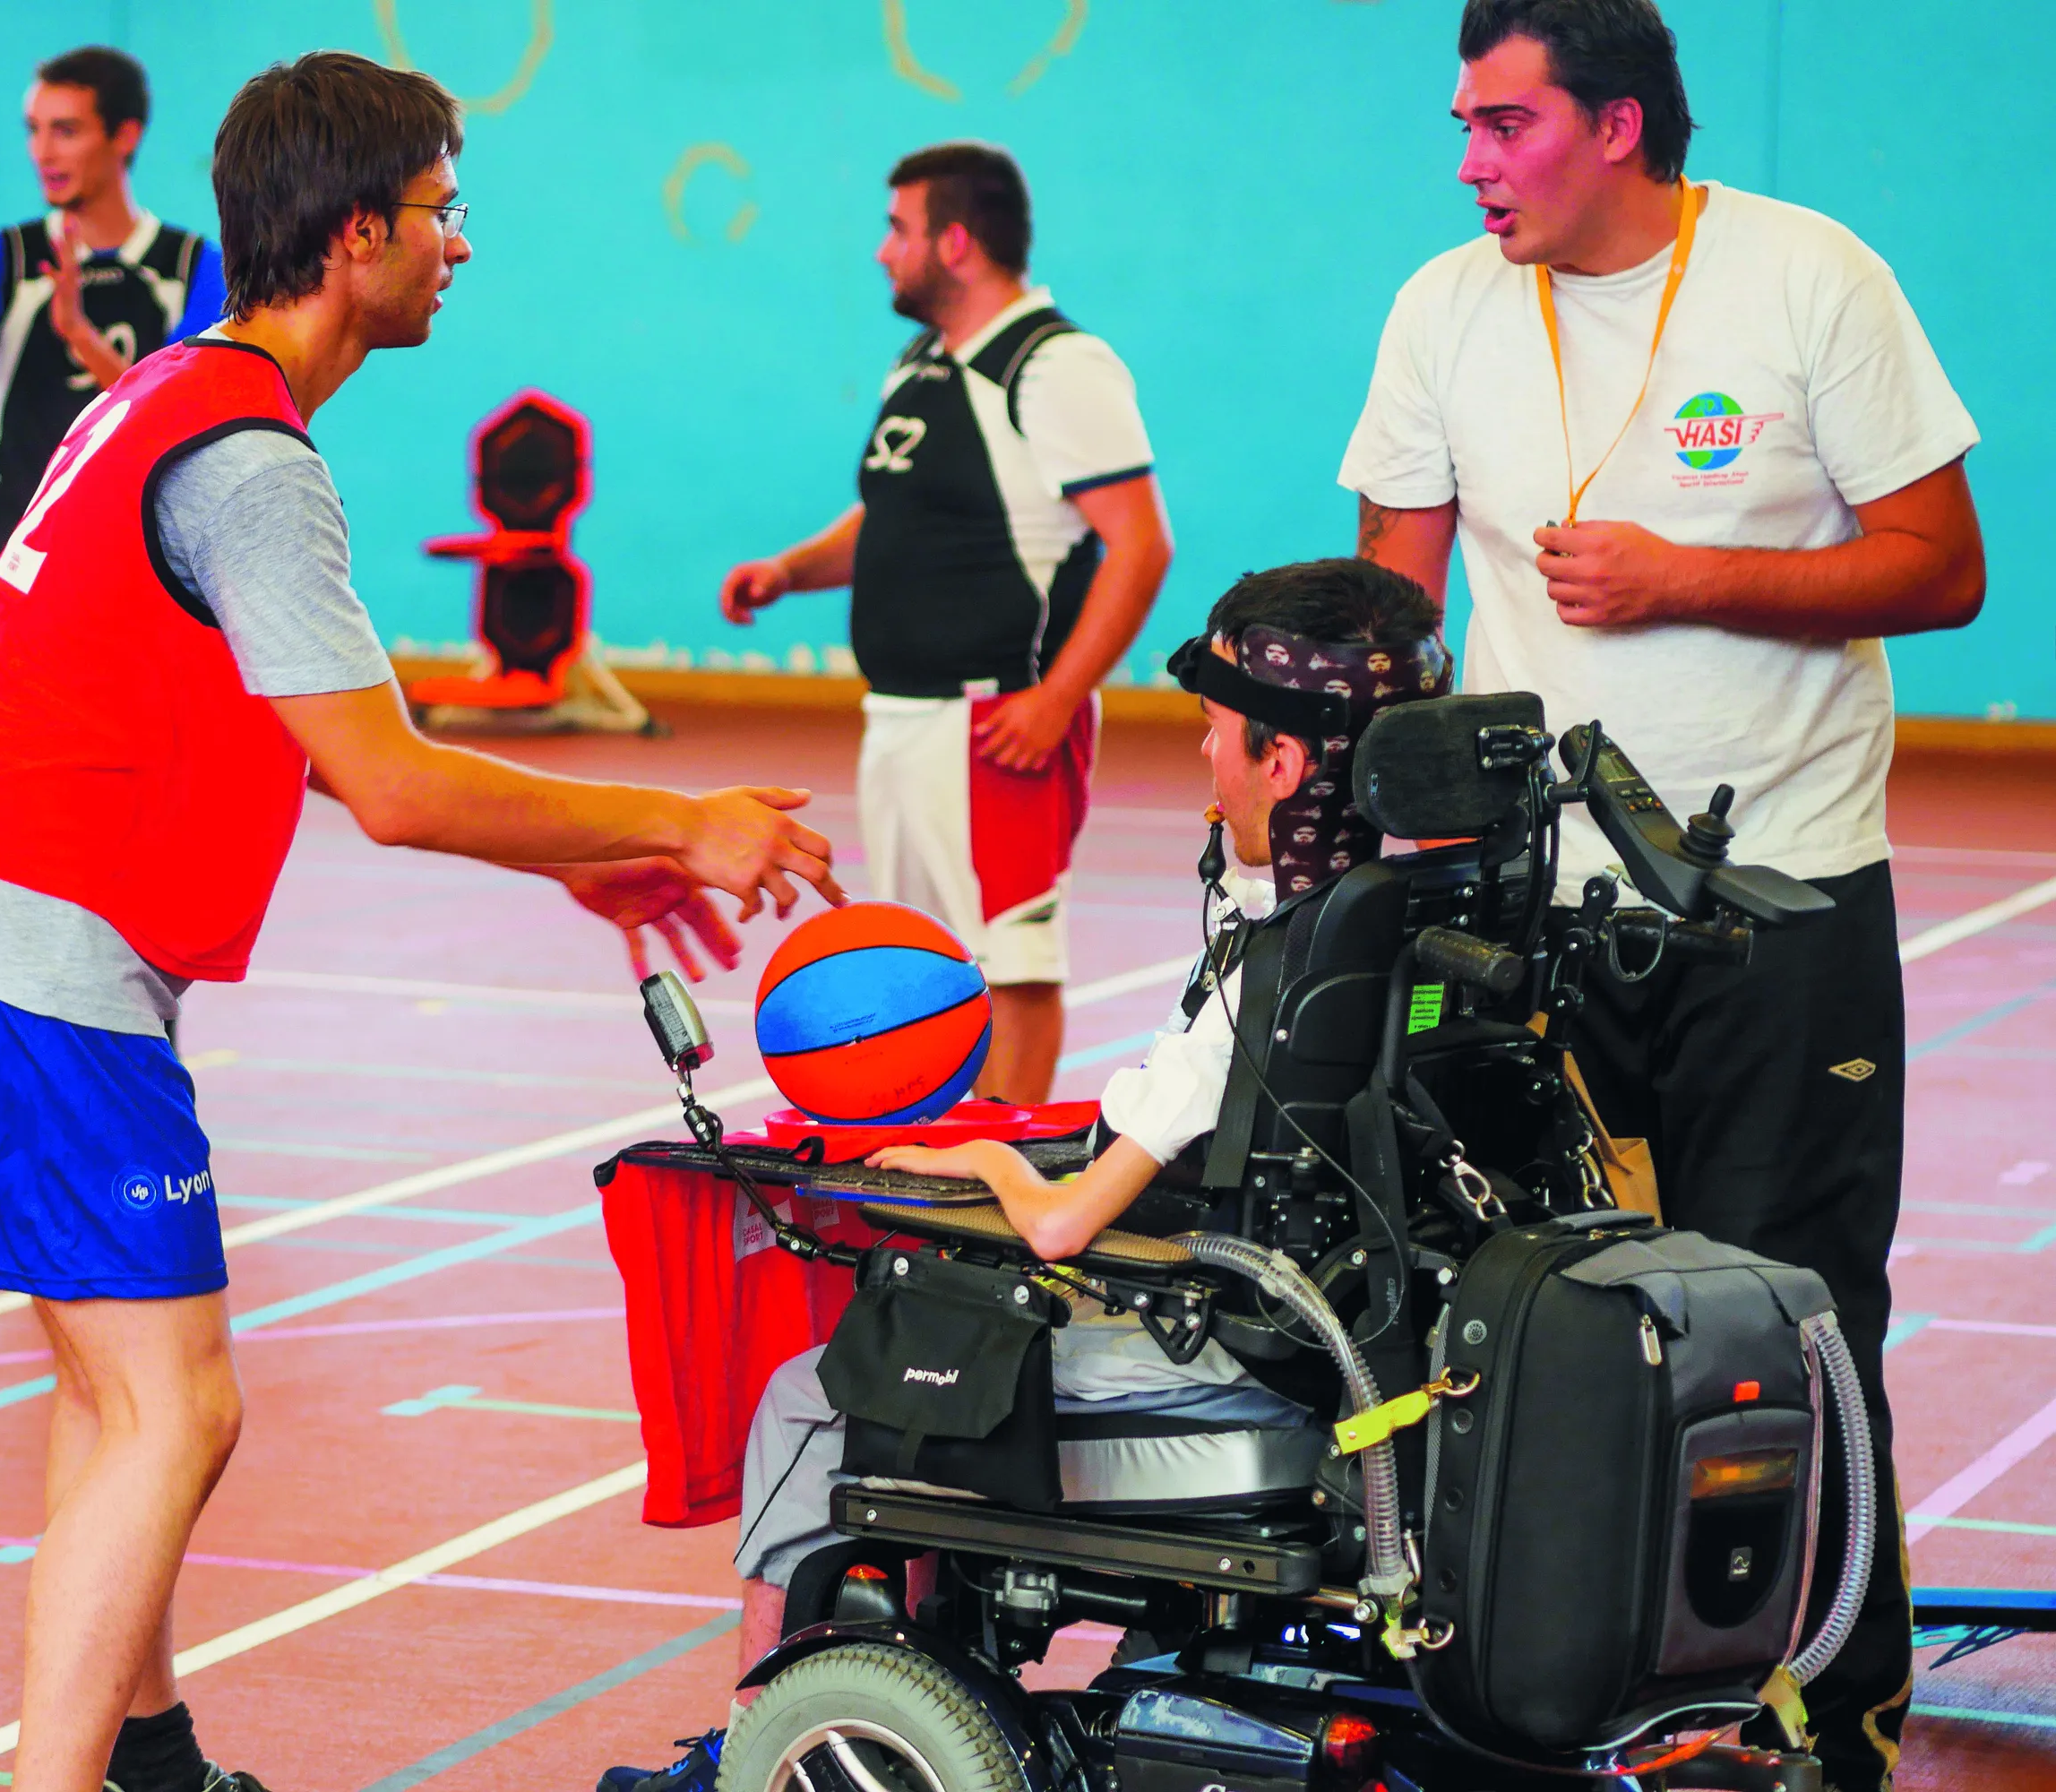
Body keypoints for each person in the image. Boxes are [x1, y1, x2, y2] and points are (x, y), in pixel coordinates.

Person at [0, 51, 840, 1792]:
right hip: (33, 956)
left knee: (110, 1393)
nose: (463, 248)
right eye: (446, 214)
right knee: (181, 1407)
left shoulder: (180, 392)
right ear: (358, 231)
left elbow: (279, 727)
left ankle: (145, 1755)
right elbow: (391, 781)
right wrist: (682, 819)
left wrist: (573, 854)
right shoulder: (249, 458)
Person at [1338, 4, 1984, 1785]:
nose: (1470, 157)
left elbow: (1945, 568)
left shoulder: (1804, 278)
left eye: (1505, 121)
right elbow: (1397, 622)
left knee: (1791, 1311)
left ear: (1616, 124)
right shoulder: (1440, 309)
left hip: (1776, 902)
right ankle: (1560, 1696)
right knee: (1524, 1315)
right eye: (1462, 121)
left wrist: (1689, 577)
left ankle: (1824, 1712)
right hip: (1533, 908)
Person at [598, 559, 1445, 1792]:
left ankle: (755, 1746)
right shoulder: (1425, 918)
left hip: (1236, 1366)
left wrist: (985, 1155)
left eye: (1213, 734)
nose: (1203, 761)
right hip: (1364, 1352)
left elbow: (1059, 1227)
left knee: (815, 1391)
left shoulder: (1272, 972)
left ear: (1284, 764)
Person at [719, 142, 1172, 1104]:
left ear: (956, 242)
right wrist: (790, 571)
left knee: (1010, 964)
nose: (883, 251)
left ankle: (997, 1186)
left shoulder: (1056, 368)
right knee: (926, 965)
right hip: (901, 720)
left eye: (899, 229)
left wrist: (1057, 699)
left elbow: (1140, 546)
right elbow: (893, 518)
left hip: (993, 722)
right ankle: (938, 1172)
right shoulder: (922, 362)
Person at [0, 46, 229, 580]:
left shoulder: (194, 267)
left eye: (65, 131)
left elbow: (174, 421)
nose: (42, 151)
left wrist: (81, 337)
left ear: (125, 136)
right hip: (22, 535)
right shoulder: (3, 257)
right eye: (33, 129)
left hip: (148, 540)